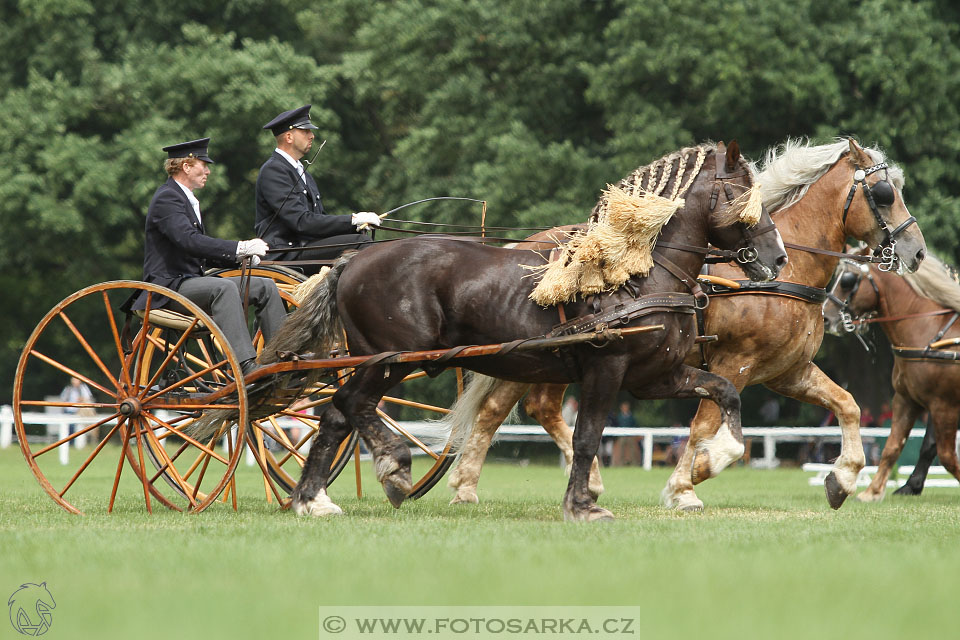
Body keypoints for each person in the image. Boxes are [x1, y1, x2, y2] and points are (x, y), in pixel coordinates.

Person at [132, 137, 286, 375]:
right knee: (223, 289)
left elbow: (198, 254)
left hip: (189, 283)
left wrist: (239, 258)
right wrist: (240, 247)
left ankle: (282, 355)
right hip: (168, 288)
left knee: (264, 286)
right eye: (203, 165)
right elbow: (189, 241)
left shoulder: (185, 199)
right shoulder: (167, 198)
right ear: (186, 166)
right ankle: (245, 365)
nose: (208, 171)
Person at [255, 104, 381, 274]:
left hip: (305, 247)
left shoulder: (302, 172)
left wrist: (356, 225)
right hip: (286, 254)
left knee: (363, 239)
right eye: (306, 131)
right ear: (289, 136)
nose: (312, 136)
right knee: (360, 243)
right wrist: (351, 220)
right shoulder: (274, 170)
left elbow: (317, 218)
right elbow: (301, 222)